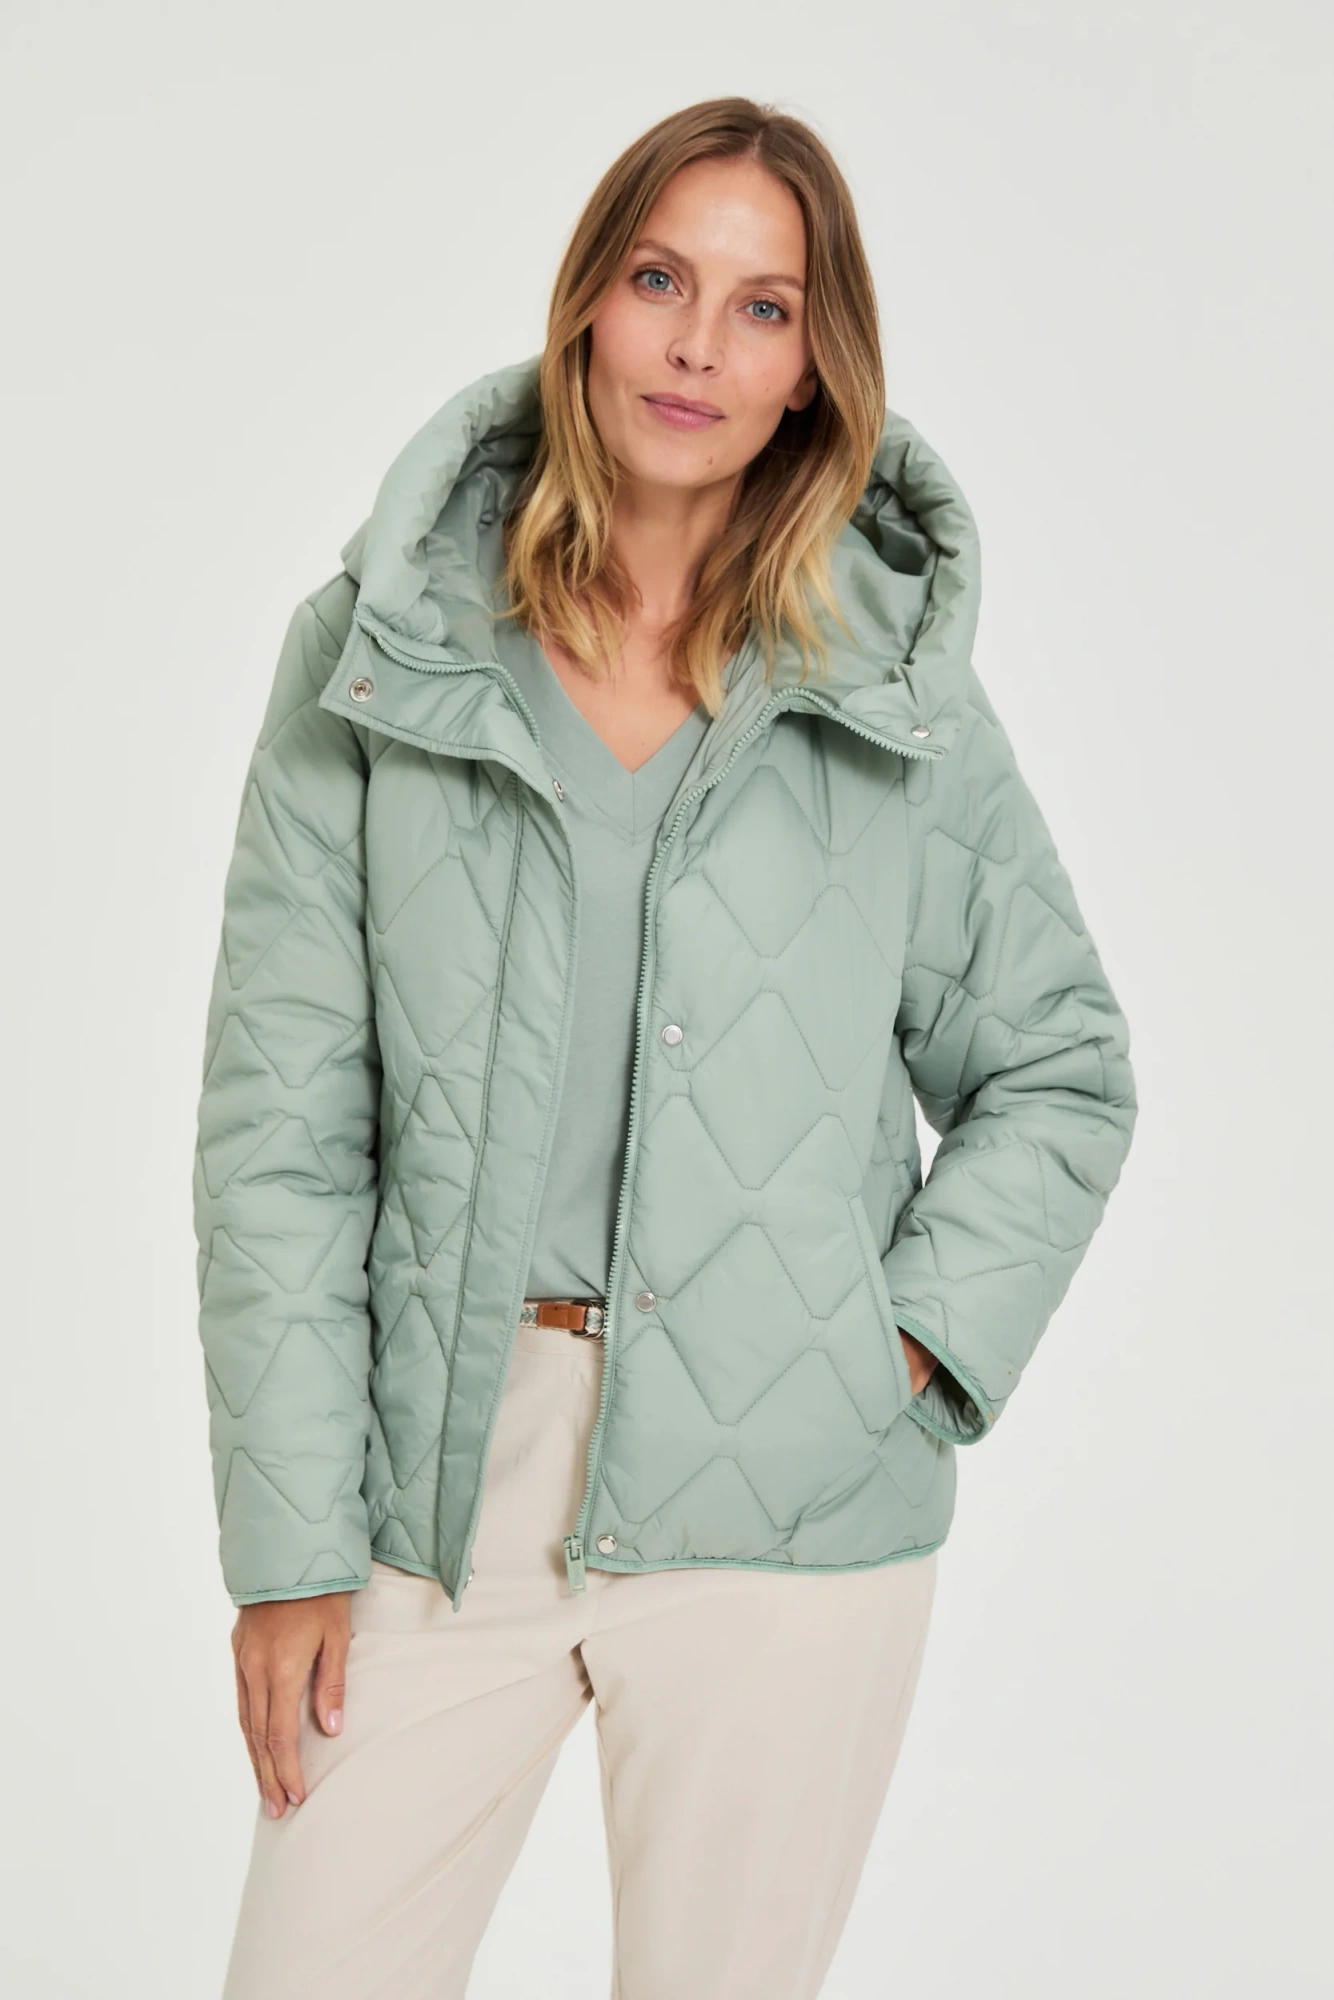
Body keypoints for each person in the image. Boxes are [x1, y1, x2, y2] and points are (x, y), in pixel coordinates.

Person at [193, 95, 1137, 2000]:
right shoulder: (384, 653)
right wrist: (291, 1543)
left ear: (810, 369)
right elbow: (282, 1127)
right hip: (438, 1490)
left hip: (786, 1511)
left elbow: (1058, 1066)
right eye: (658, 280)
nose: (699, 345)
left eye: (761, 307)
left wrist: (885, 1358)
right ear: (585, 307)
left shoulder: (887, 698)